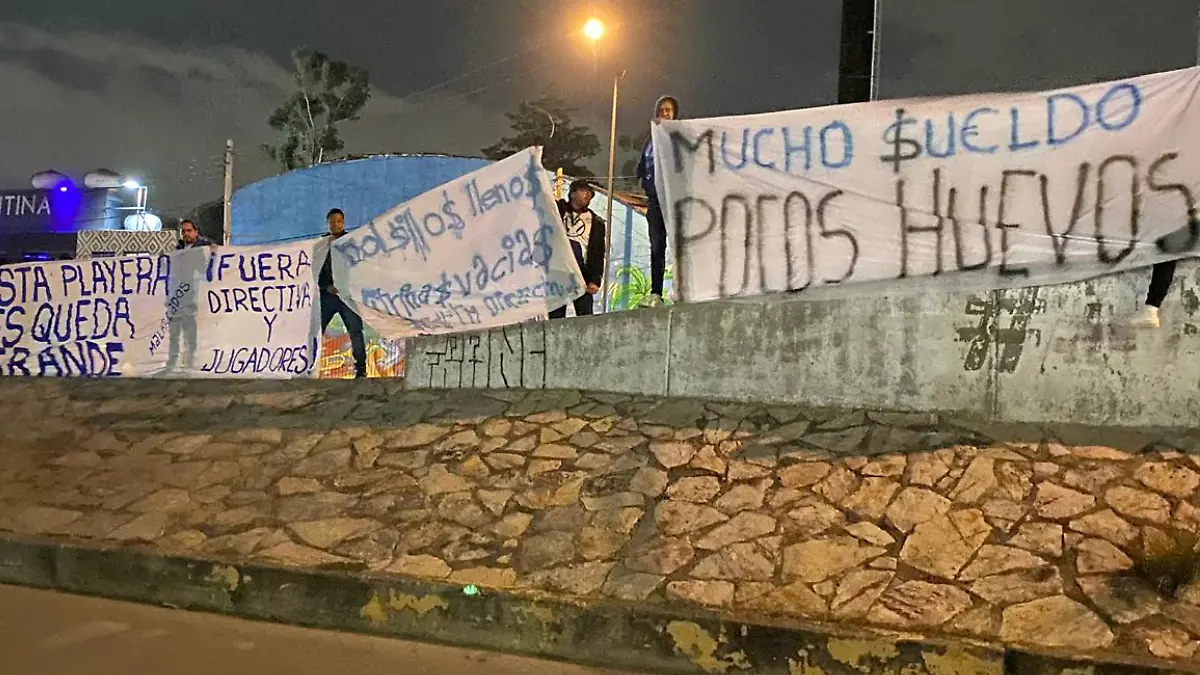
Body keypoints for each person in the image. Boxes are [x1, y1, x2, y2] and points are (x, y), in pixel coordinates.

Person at [634, 95, 679, 308]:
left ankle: (683, 289)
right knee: (656, 247)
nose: (665, 112)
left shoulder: (678, 137)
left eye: (669, 109)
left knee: (680, 245)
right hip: (655, 202)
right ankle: (656, 293)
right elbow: (641, 170)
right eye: (661, 109)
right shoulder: (650, 141)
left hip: (675, 200)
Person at [319, 208, 368, 377]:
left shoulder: (351, 243)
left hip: (346, 296)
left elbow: (360, 268)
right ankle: (309, 366)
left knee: (355, 331)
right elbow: (314, 270)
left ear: (343, 222)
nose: (335, 224)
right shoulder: (321, 245)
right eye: (332, 221)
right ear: (328, 224)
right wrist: (326, 287)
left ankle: (361, 369)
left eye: (338, 221)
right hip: (327, 296)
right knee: (316, 331)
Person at [550, 179, 606, 319]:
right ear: (573, 193)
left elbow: (598, 253)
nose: (587, 195)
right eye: (583, 191)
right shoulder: (558, 210)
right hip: (559, 270)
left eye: (590, 193)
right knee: (556, 316)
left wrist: (595, 279)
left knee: (585, 315)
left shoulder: (596, 221)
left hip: (582, 273)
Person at [165, 220, 212, 372]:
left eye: (189, 230)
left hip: (193, 296)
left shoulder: (203, 248)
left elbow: (205, 270)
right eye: (183, 231)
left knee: (190, 332)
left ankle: (190, 362)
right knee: (174, 332)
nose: (186, 234)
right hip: (177, 297)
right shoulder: (178, 249)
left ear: (196, 232)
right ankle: (173, 362)